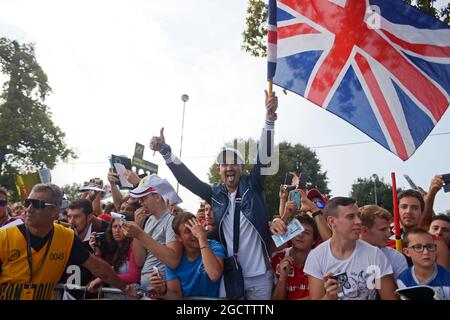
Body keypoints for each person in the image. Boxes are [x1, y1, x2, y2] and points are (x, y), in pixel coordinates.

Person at [150, 91, 278, 300]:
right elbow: (187, 179)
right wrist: (166, 152)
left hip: (259, 276)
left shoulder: (253, 185)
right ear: (219, 170)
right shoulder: (215, 194)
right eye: (224, 164)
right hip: (230, 274)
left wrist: (269, 120)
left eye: (233, 163)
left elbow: (264, 158)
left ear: (241, 167)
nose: (229, 168)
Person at [0, 183, 137, 300]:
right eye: (28, 203)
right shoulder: (4, 237)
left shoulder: (66, 237)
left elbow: (98, 268)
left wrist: (125, 287)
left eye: (37, 204)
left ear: (54, 211)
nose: (28, 209)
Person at [304, 197, 398, 300]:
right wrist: (329, 296)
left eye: (358, 216)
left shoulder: (374, 254)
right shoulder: (316, 257)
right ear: (332, 221)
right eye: (350, 217)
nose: (358, 221)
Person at [120, 174, 183, 291]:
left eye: (143, 198)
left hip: (165, 292)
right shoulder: (149, 220)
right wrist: (137, 229)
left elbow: (173, 260)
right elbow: (139, 261)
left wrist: (139, 234)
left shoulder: (172, 219)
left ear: (157, 197)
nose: (141, 203)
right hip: (148, 291)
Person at [150, 212, 225, 299]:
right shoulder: (175, 259)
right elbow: (177, 297)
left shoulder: (214, 246)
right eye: (188, 231)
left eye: (195, 229)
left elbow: (214, 275)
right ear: (178, 238)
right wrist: (163, 290)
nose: (194, 234)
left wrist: (202, 237)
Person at [397, 189, 450, 268]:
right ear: (397, 210)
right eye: (404, 207)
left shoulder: (436, 243)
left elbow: (444, 278)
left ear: (422, 212)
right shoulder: (385, 241)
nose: (408, 211)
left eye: (415, 208)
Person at [87, 216, 142, 292]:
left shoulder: (133, 245)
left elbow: (134, 277)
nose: (117, 230)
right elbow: (99, 272)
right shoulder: (111, 248)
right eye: (114, 226)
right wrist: (97, 250)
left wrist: (104, 278)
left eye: (121, 227)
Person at [271, 215, 318, 300]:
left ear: (314, 241)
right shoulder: (276, 258)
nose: (300, 235)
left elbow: (320, 296)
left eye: (306, 232)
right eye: (297, 230)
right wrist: (283, 277)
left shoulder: (320, 261)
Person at [397, 228, 450, 300]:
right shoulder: (403, 279)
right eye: (418, 247)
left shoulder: (447, 277)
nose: (426, 252)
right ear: (407, 252)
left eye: (430, 246)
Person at [359, 205, 408, 279]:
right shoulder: (347, 256)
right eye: (383, 230)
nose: (388, 234)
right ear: (364, 230)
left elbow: (403, 289)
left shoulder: (395, 257)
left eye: (388, 229)